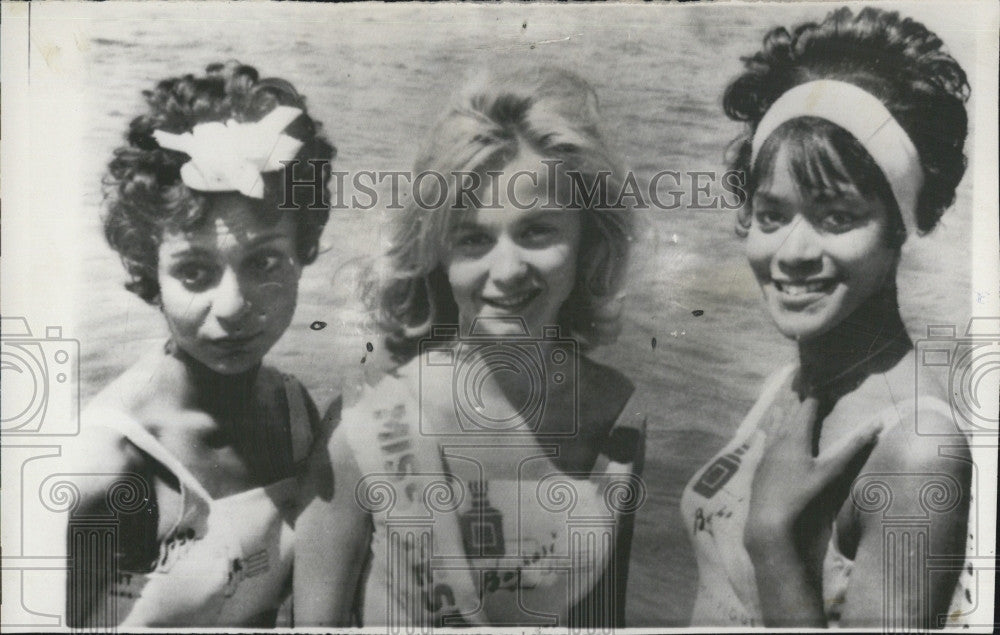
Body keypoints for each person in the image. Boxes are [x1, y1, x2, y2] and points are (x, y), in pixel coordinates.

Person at [295, 66, 646, 628]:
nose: (506, 271)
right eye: (474, 239)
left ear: (588, 240)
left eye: (537, 231)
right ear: (437, 254)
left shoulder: (618, 416)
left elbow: (604, 621)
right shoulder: (365, 424)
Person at [681, 7, 974, 629]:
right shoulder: (792, 384)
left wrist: (776, 547)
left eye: (837, 216)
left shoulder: (918, 449)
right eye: (771, 215)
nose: (792, 253)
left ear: (901, 224)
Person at [62, 61, 337, 627]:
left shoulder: (294, 413)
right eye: (194, 272)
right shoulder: (113, 466)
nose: (233, 305)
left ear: (304, 251)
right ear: (148, 271)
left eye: (263, 262)